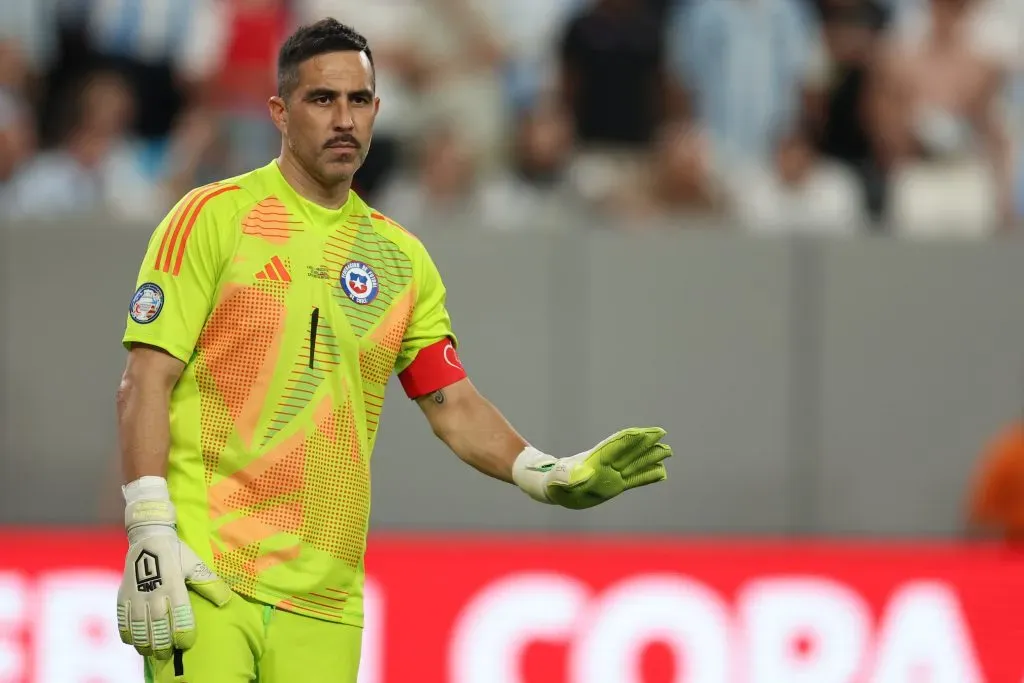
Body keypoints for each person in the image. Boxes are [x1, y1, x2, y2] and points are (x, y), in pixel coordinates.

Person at [114, 18, 672, 683]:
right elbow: (144, 381)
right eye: (322, 99)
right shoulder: (211, 218)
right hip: (208, 574)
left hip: (326, 602)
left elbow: (453, 404)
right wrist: (150, 528)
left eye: (359, 100)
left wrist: (545, 473)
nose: (343, 119)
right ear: (280, 113)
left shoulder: (401, 261)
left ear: (377, 111)